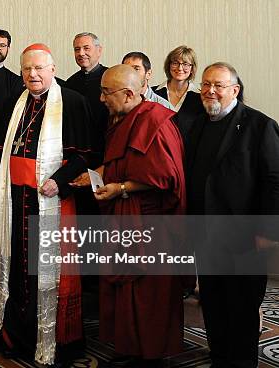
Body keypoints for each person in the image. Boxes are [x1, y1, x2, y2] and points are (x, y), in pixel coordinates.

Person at [0, 43, 92, 366]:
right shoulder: (11, 104)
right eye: (27, 69)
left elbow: (85, 156)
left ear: (52, 70)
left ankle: (53, 343)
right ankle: (16, 336)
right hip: (15, 202)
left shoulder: (72, 102)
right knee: (18, 268)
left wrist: (58, 180)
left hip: (51, 201)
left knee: (47, 272)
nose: (33, 74)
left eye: (39, 68)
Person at [186, 62, 279, 368]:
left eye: (219, 85)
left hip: (245, 235)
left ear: (235, 90)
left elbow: (275, 181)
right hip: (205, 233)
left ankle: (240, 361)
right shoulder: (198, 124)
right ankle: (220, 355)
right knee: (213, 300)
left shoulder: (260, 125)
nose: (210, 91)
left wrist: (267, 232)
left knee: (242, 303)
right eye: (206, 85)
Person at [92, 64, 186, 367]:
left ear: (130, 94)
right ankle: (129, 347)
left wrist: (120, 187)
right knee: (124, 289)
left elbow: (164, 177)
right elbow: (122, 159)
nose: (102, 98)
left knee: (148, 293)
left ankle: (151, 354)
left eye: (107, 92)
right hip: (124, 216)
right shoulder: (124, 119)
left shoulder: (154, 122)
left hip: (149, 222)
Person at [65, 32, 108, 158]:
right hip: (78, 149)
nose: (81, 53)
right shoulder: (70, 83)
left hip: (105, 145)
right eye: (77, 49)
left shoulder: (111, 78)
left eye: (86, 48)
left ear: (99, 50)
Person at [153, 45, 204, 138]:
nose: (180, 68)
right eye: (175, 63)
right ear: (169, 65)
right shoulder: (153, 93)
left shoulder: (201, 97)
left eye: (185, 64)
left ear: (192, 68)